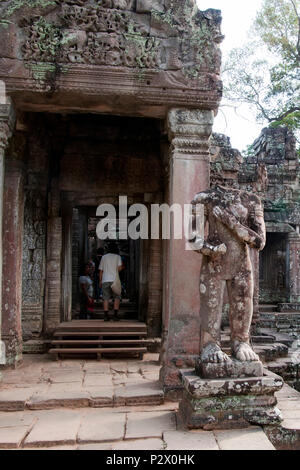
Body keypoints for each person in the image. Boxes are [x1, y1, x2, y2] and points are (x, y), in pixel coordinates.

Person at [191, 185, 266, 363]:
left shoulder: (253, 200)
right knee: (211, 306)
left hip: (241, 265)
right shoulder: (203, 198)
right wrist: (211, 250)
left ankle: (241, 342)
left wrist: (231, 222)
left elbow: (260, 241)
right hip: (213, 265)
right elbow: (193, 238)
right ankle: (210, 345)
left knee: (243, 304)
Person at [99, 242, 124, 321]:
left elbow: (101, 270)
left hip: (105, 279)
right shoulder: (118, 257)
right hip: (115, 280)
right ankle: (115, 315)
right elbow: (119, 268)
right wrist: (121, 267)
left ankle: (106, 316)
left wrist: (100, 281)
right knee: (117, 297)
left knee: (105, 298)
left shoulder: (104, 257)